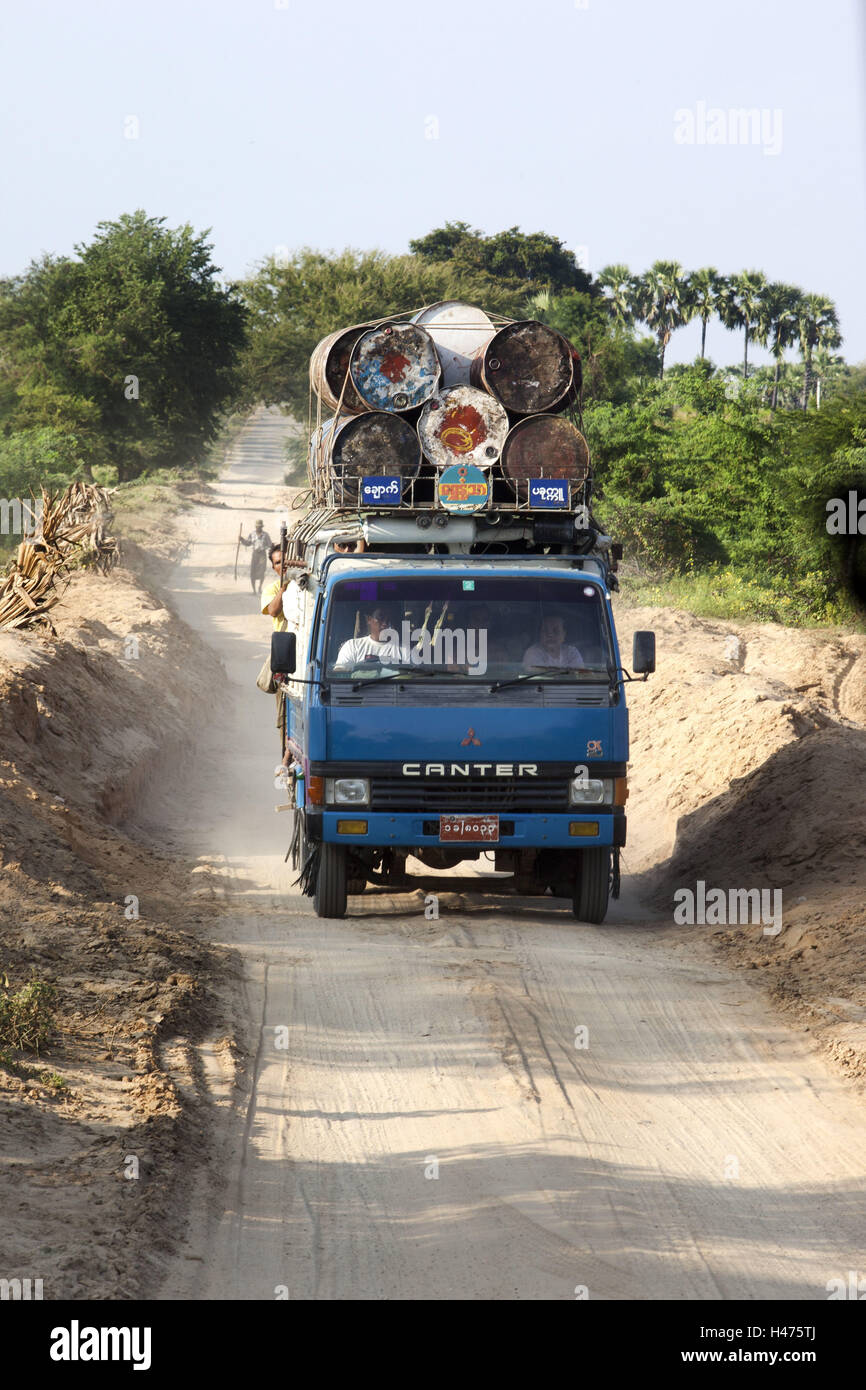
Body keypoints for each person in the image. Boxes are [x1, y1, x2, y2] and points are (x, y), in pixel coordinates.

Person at [334, 607, 403, 667]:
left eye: (388, 620)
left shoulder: (403, 650)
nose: (385, 623)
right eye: (380, 618)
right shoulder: (352, 647)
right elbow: (340, 673)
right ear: (369, 619)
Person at [239, 520, 273, 594]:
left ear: (262, 527)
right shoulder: (252, 534)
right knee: (253, 572)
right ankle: (254, 590)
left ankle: (260, 587)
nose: (258, 528)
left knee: (262, 571)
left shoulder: (265, 535)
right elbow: (248, 543)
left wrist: (270, 547)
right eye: (257, 526)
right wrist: (242, 540)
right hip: (255, 555)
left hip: (262, 555)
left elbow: (270, 544)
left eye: (260, 526)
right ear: (255, 527)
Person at [261, 543, 288, 632]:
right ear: (273, 567)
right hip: (286, 641)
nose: (282, 565)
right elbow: (273, 611)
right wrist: (283, 588)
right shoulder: (271, 589)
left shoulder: (304, 582)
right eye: (277, 563)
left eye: (285, 560)